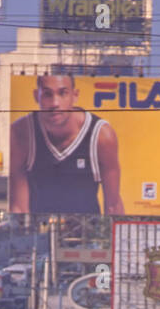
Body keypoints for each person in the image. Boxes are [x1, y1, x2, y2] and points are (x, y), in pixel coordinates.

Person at [9, 74, 125, 216]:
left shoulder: (101, 135)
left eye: (63, 93)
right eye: (47, 94)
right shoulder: (22, 132)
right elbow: (19, 208)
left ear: (74, 96)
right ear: (36, 96)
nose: (55, 103)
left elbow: (113, 206)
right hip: (40, 229)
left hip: (86, 230)